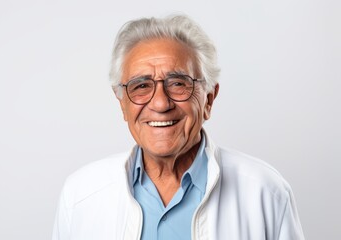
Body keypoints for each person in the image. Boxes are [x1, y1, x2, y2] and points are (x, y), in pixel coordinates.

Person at [52, 15, 304, 240]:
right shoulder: (80, 195)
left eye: (178, 83)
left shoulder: (265, 191)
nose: (161, 103)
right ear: (122, 104)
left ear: (208, 99)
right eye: (141, 86)